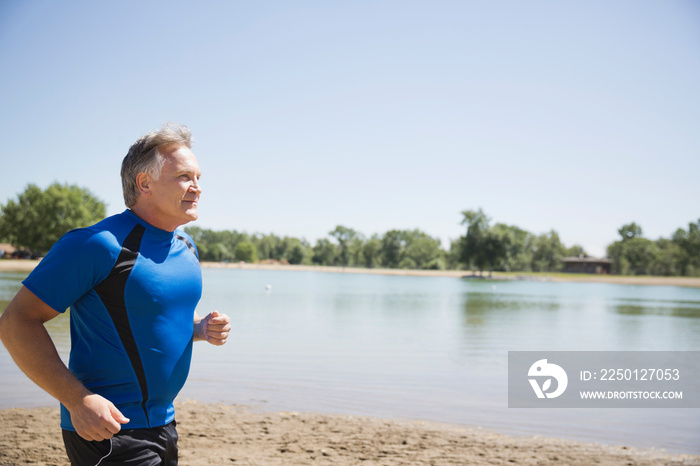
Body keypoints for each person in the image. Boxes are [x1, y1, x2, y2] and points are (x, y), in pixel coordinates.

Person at [0, 122, 231, 465]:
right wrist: (77, 401)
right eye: (184, 177)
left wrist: (198, 329)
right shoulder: (97, 245)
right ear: (144, 183)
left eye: (199, 177)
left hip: (165, 423)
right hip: (106, 429)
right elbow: (16, 322)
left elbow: (149, 314)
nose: (196, 188)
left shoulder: (186, 245)